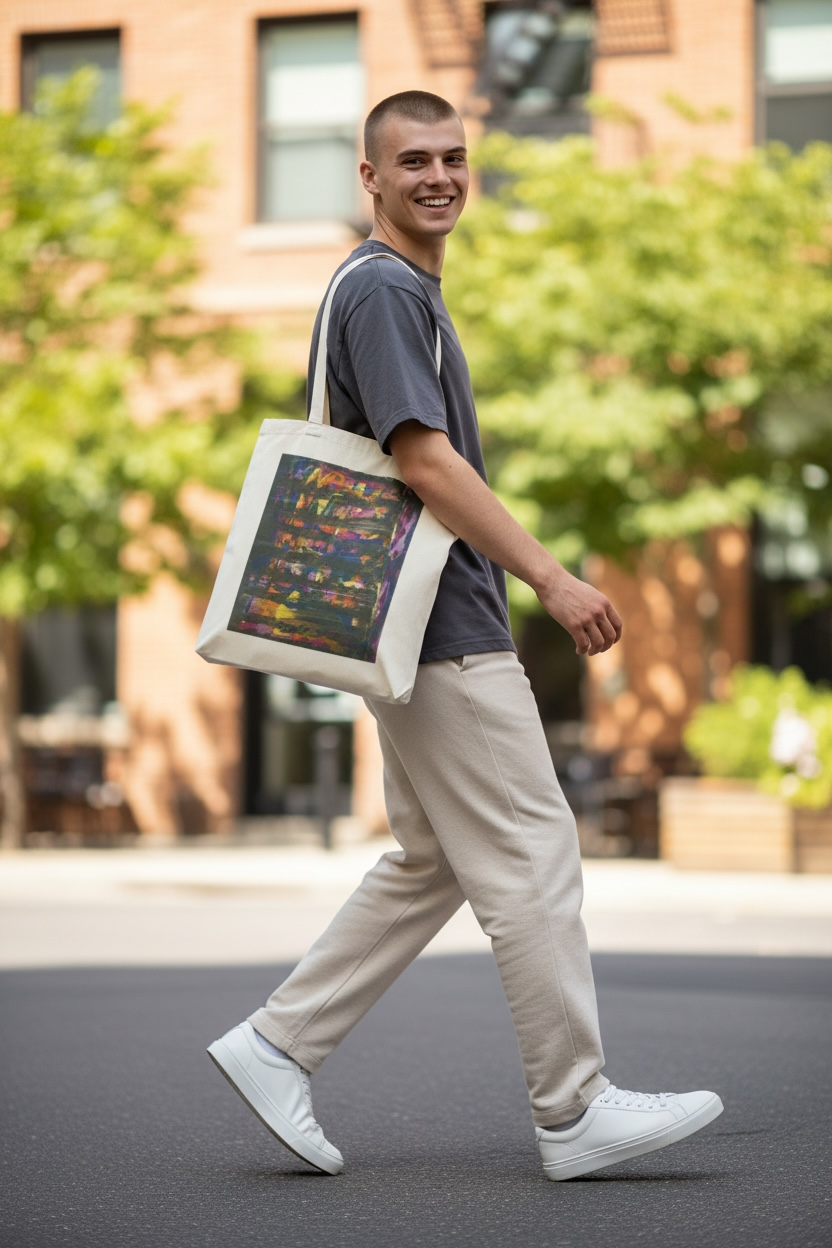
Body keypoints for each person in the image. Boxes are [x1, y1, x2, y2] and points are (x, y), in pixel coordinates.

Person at [207, 90, 723, 1182]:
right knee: (534, 857)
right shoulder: (387, 291)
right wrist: (549, 576)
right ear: (370, 178)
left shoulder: (386, 287)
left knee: (434, 857)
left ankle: (276, 1042)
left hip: (411, 624)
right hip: (440, 624)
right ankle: (574, 1108)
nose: (439, 175)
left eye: (453, 157)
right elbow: (423, 458)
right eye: (413, 161)